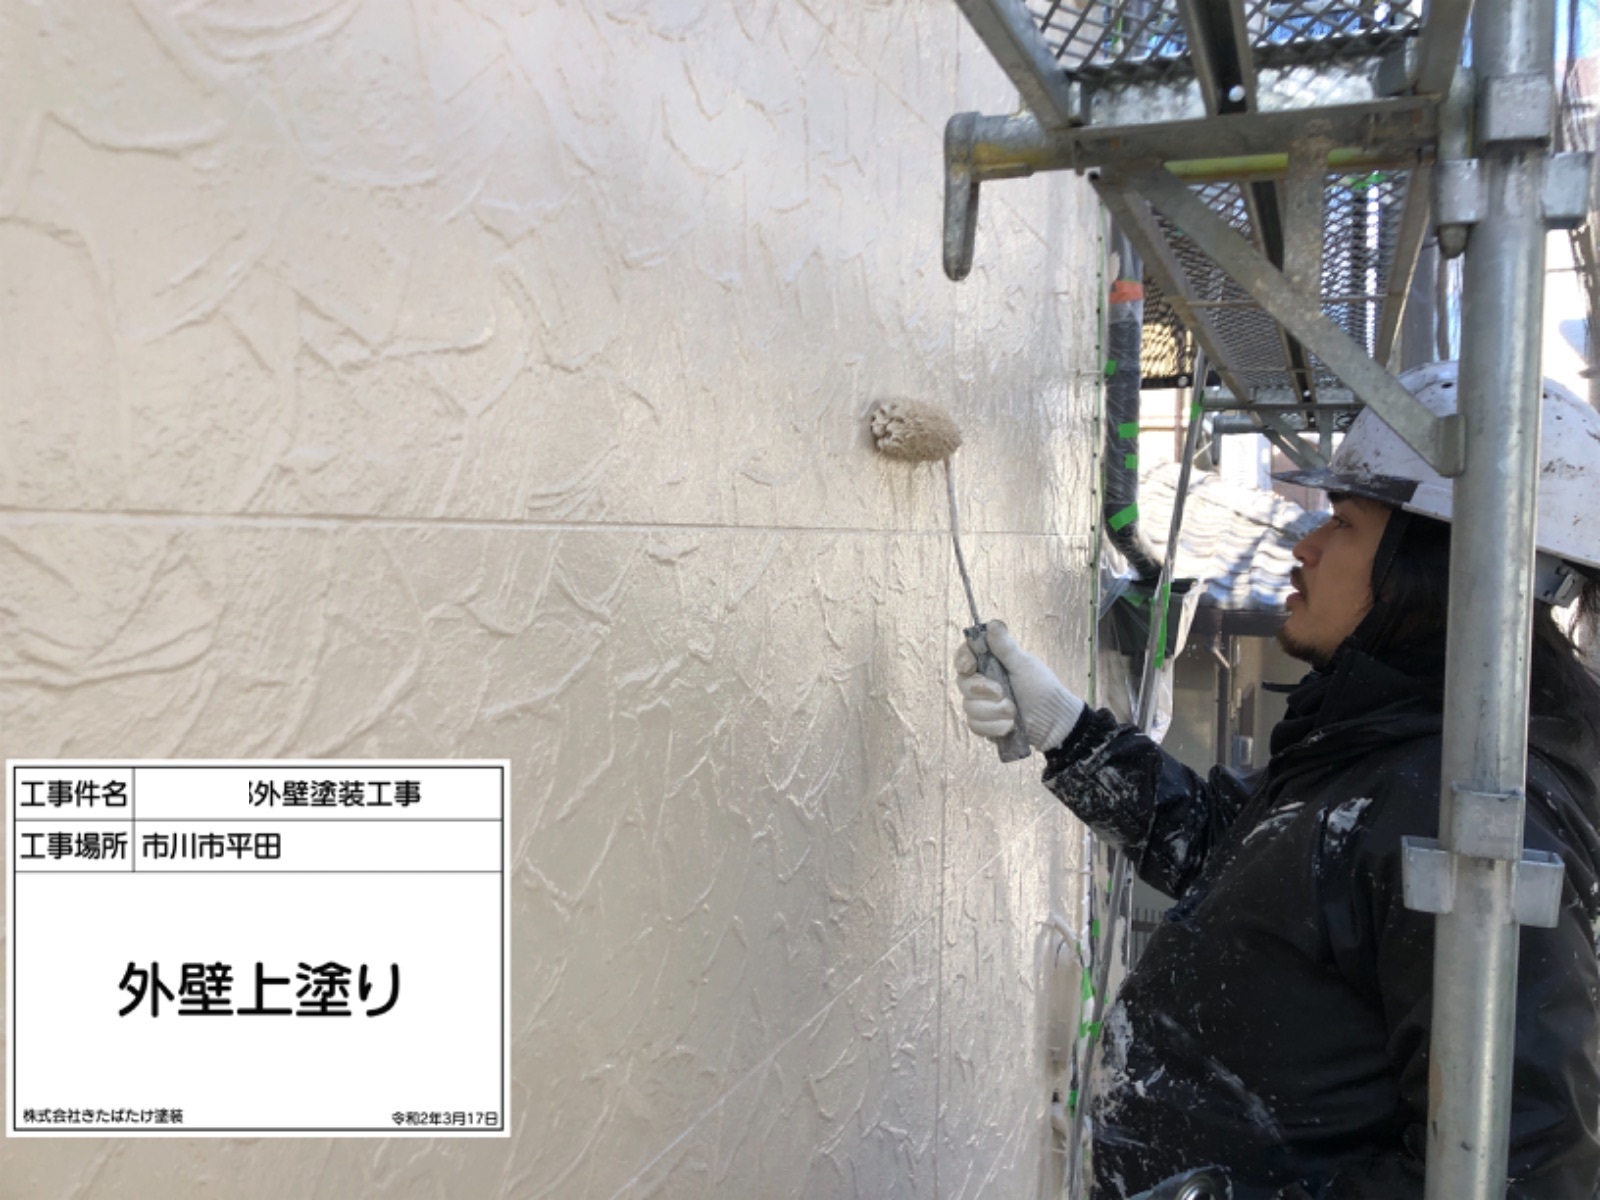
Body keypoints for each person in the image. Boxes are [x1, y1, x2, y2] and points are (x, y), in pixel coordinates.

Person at [955, 363, 1600, 1200]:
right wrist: (1064, 729)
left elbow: (1523, 1175)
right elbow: (1234, 862)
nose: (1307, 546)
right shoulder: (1380, 746)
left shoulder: (1462, 812)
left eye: (1345, 524)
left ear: (1440, 569)